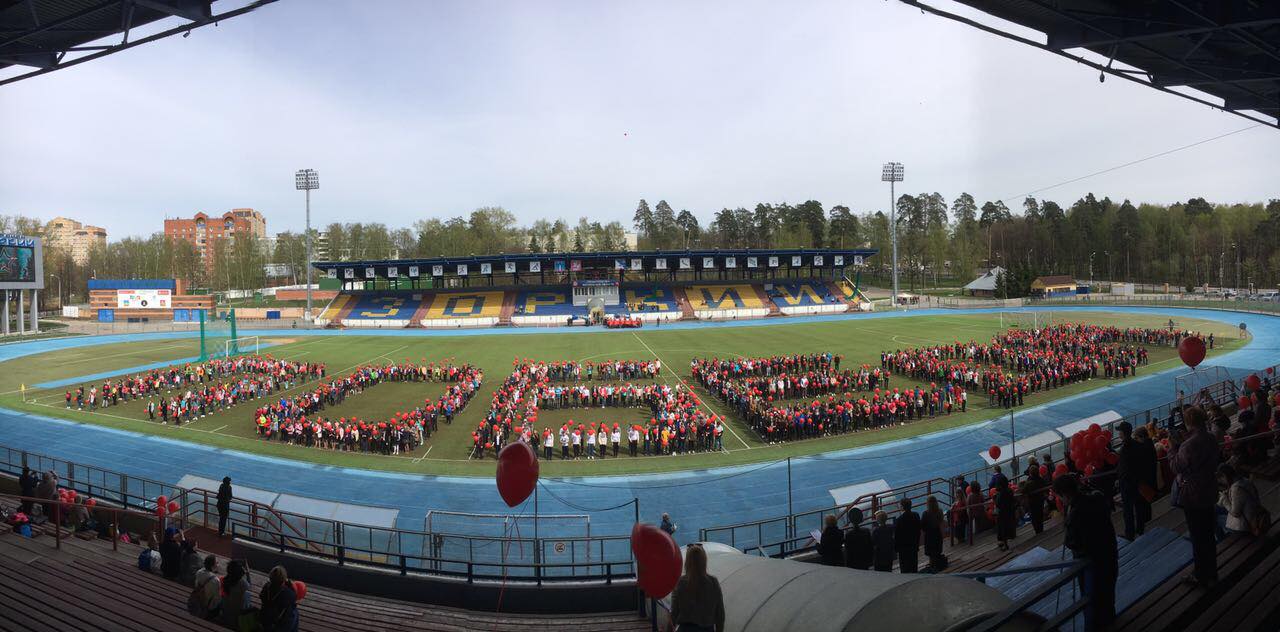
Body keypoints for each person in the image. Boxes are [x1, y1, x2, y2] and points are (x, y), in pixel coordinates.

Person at [1054, 473, 1118, 630]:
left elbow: (1071, 542)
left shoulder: (1074, 515)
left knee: (1091, 599)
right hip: (1109, 553)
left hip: (1090, 562)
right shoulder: (1097, 498)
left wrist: (1067, 522)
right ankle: (1110, 620)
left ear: (1065, 495)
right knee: (1108, 592)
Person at [1172, 406, 1219, 588]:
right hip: (1209, 489)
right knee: (1208, 534)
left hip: (1193, 494)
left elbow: (1176, 466)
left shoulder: (1188, 445)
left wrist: (1173, 448)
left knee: (1198, 537)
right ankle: (1211, 572)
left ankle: (1200, 575)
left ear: (1189, 422)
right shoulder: (1210, 438)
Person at [669, 544, 725, 632]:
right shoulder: (713, 582)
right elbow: (720, 615)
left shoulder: (680, 583)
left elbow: (673, 614)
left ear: (687, 562)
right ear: (704, 561)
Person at [1117, 421, 1157, 540]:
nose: (1118, 433)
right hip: (1138, 482)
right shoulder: (1138, 445)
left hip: (1128, 484)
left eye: (1119, 431)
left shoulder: (1125, 448)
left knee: (1128, 511)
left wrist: (1121, 479)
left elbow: (1124, 468)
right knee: (1139, 507)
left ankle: (1129, 534)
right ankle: (1140, 529)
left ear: (1123, 433)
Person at [1219, 464, 1263, 536]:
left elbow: (1236, 513)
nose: (1221, 481)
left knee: (1215, 519)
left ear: (1224, 476)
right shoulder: (1245, 481)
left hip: (1247, 527)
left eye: (1221, 478)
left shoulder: (1236, 489)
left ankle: (1224, 542)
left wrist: (1224, 500)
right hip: (1256, 517)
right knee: (1217, 510)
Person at [259, 565, 299, 632]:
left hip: (265, 618)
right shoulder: (287, 592)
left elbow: (261, 596)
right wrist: (291, 587)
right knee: (294, 611)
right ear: (283, 580)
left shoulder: (266, 587)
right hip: (277, 624)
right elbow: (294, 597)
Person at [189, 554, 222, 619]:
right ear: (213, 566)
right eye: (217, 563)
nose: (218, 564)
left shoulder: (199, 572)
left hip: (197, 599)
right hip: (207, 607)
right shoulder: (216, 580)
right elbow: (216, 599)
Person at [894, 498, 921, 573]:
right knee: (914, 564)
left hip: (904, 548)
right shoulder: (916, 515)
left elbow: (897, 535)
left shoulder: (899, 520)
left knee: (904, 566)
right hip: (913, 544)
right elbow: (918, 529)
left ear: (902, 507)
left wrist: (896, 548)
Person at [921, 496, 946, 571]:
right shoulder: (940, 511)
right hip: (937, 532)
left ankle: (933, 566)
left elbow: (922, 525)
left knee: (931, 552)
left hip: (929, 534)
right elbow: (941, 521)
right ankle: (937, 564)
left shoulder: (925, 513)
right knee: (937, 549)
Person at [1021, 465, 1048, 534]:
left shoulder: (1029, 483)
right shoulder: (1041, 480)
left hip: (1032, 502)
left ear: (1030, 473)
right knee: (1040, 514)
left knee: (1034, 516)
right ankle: (1041, 529)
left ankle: (1037, 531)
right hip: (1040, 500)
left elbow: (1023, 491)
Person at [995, 478, 1018, 551]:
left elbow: (998, 504)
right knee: (1008, 527)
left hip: (1003, 513)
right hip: (1010, 512)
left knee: (1003, 529)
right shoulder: (1010, 491)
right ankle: (1006, 541)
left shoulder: (1001, 494)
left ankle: (1005, 544)